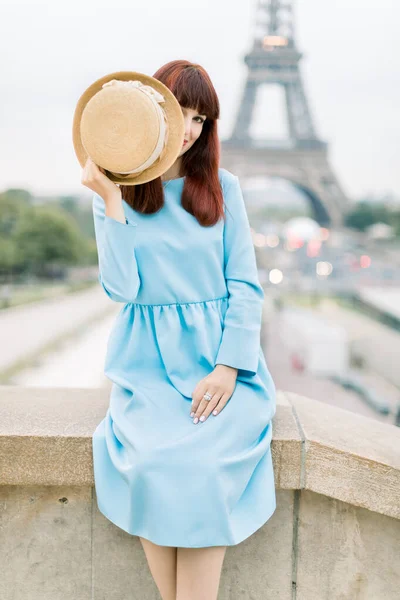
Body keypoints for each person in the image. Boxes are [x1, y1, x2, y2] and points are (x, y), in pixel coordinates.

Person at [81, 60, 277, 600]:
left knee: (201, 466)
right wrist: (112, 201)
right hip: (147, 363)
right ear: (153, 113)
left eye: (202, 119)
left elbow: (244, 285)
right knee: (151, 461)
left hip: (218, 359)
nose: (190, 129)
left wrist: (228, 367)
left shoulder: (223, 188)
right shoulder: (117, 196)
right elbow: (122, 290)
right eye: (180, 113)